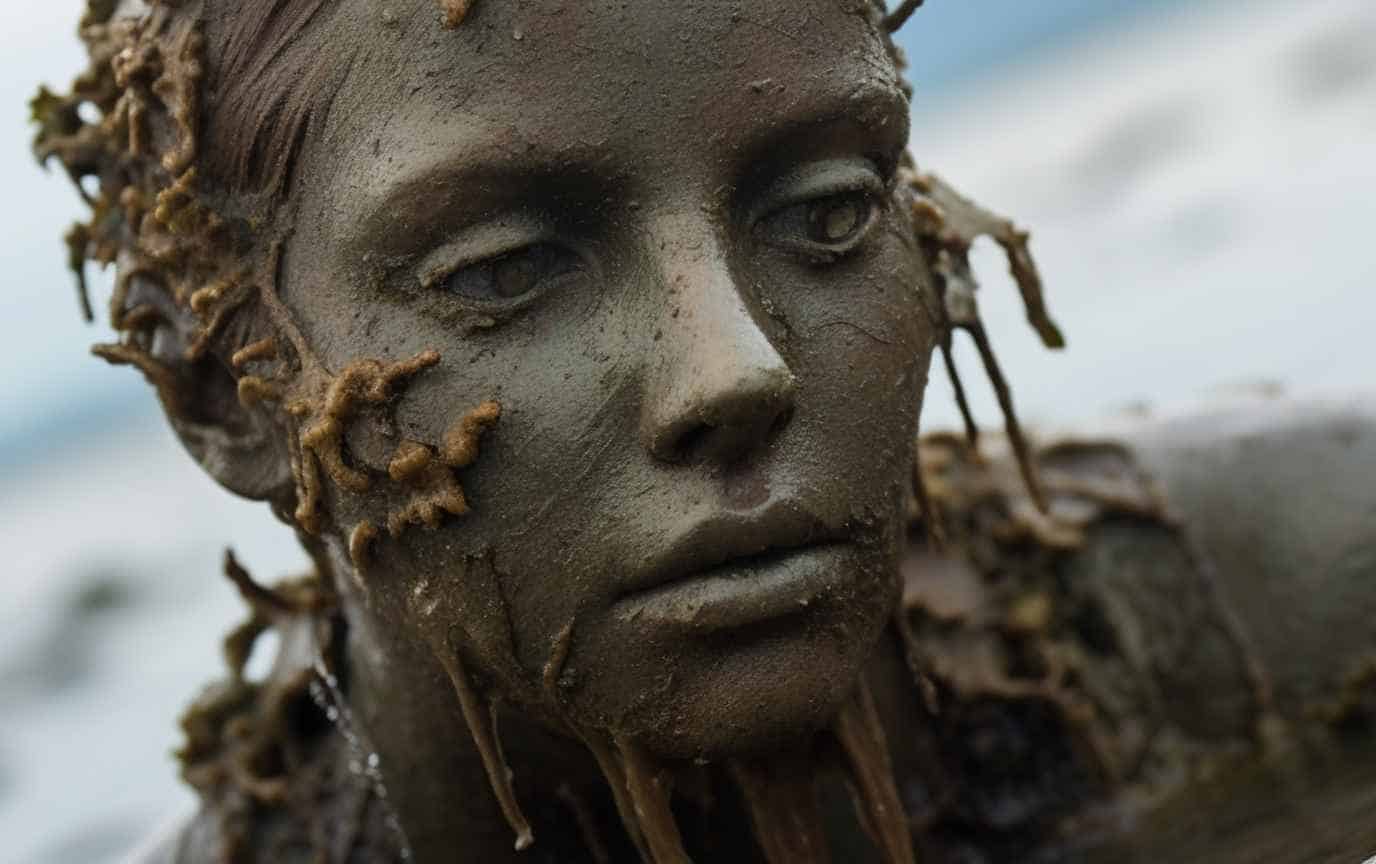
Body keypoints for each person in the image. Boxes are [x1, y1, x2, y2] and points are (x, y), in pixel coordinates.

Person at [32, 1, 1376, 862]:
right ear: (220, 386)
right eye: (502, 268)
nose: (735, 373)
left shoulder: (1319, 600)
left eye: (832, 208)